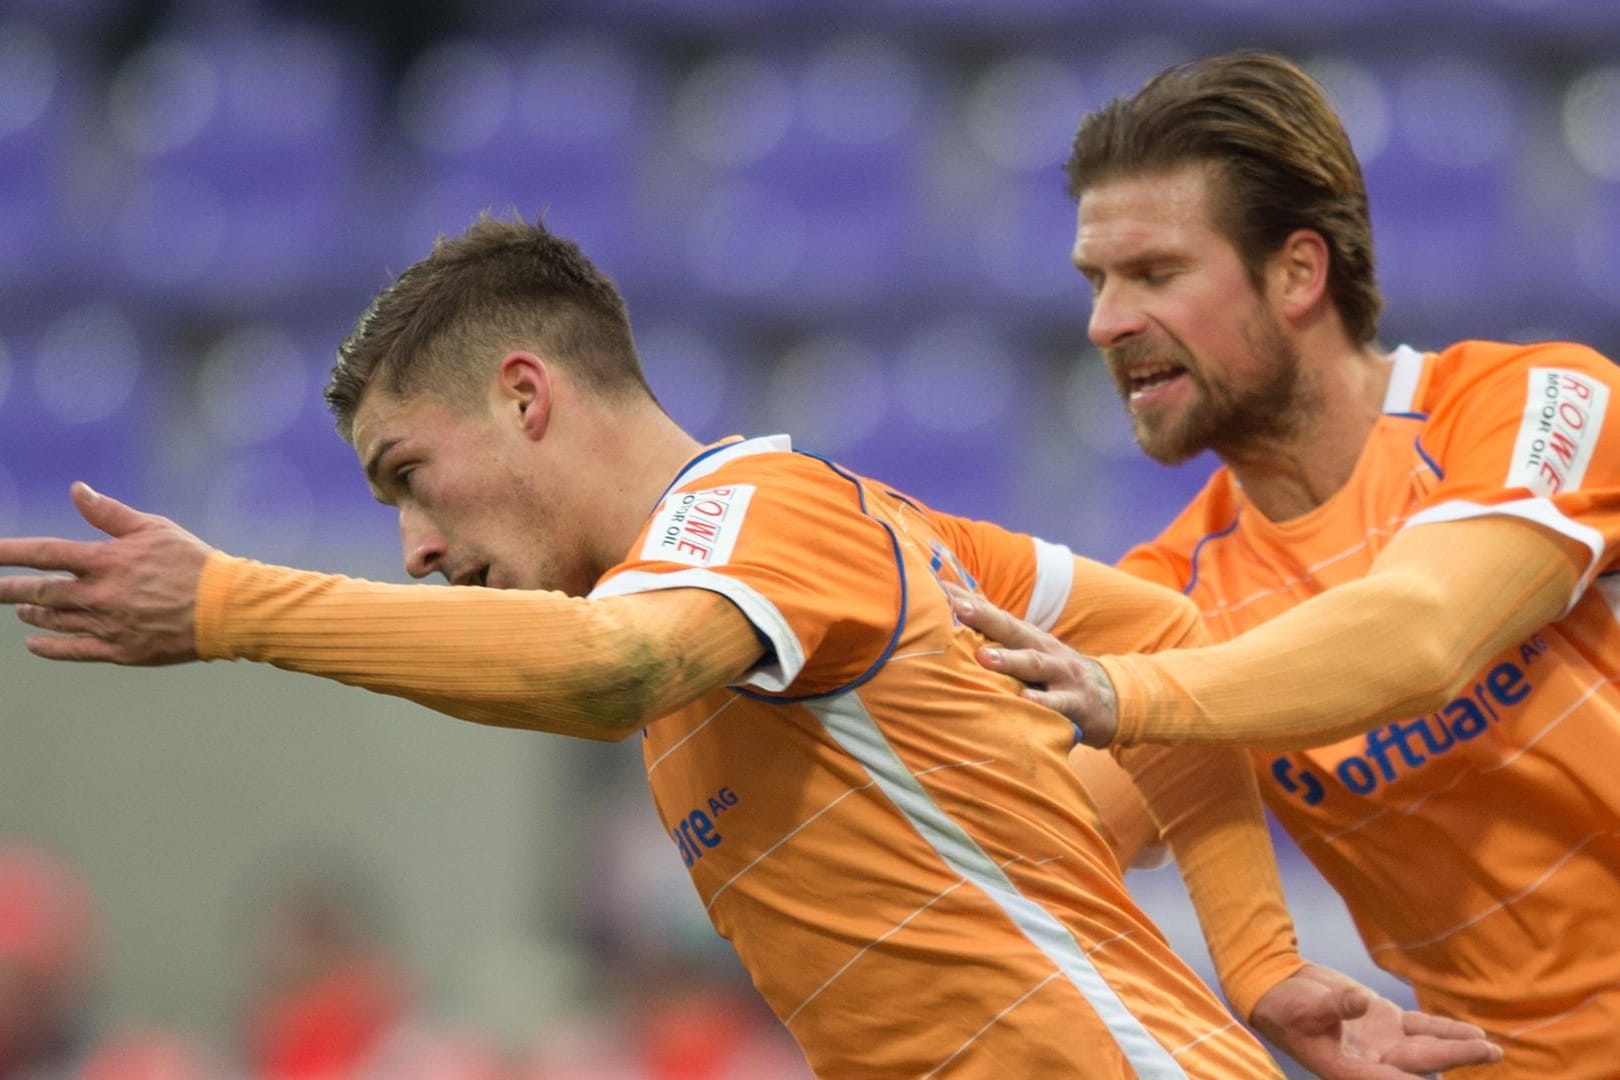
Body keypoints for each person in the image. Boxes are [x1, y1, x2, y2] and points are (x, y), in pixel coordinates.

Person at [0, 217, 1499, 1078]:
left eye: (409, 476)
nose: (416, 546)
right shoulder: (856, 536)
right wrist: (1255, 967)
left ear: (528, 394)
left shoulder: (759, 521)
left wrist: (226, 608)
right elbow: (1169, 644)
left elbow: (609, 669)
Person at [949, 49, 1620, 1079]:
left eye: (1156, 274)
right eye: (1096, 280)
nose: (1106, 322)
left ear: (1299, 272)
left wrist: (1125, 692)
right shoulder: (1171, 599)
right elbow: (1042, 840)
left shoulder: (1528, 403)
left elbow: (1426, 634)